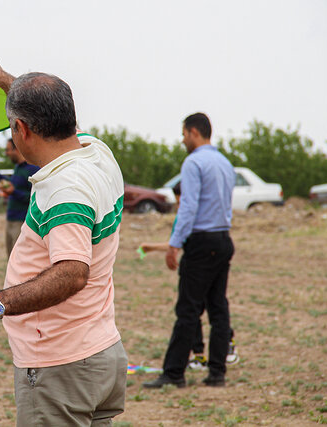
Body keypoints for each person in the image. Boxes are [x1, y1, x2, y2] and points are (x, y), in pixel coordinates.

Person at [0, 55, 128, 426]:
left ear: (21, 129)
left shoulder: (66, 189)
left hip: (61, 368)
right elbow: (41, 111)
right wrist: (1, 79)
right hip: (98, 353)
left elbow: (73, 272)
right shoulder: (96, 152)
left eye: (12, 128)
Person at [144, 113, 235, 389]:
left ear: (195, 132)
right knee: (218, 307)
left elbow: (188, 207)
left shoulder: (194, 162)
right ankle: (217, 372)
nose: (183, 139)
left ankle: (173, 373)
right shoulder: (225, 163)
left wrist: (175, 244)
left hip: (200, 242)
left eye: (184, 134)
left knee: (188, 309)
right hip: (222, 239)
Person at [139, 182, 238, 370]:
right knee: (200, 310)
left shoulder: (199, 214)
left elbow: (176, 244)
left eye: (181, 201)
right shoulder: (185, 215)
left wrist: (151, 247)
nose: (179, 206)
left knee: (207, 307)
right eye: (177, 202)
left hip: (202, 265)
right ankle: (200, 355)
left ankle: (227, 347)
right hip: (205, 260)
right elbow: (177, 241)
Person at [0, 138, 39, 256]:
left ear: (17, 149)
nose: (6, 153)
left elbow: (35, 196)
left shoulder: (33, 168)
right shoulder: (18, 168)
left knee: (19, 257)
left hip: (22, 221)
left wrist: (13, 192)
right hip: (11, 219)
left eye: (8, 150)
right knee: (11, 256)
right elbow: (12, 186)